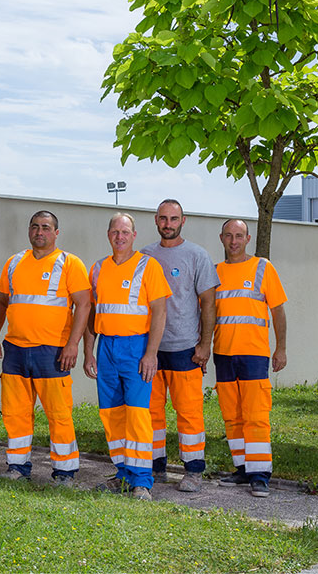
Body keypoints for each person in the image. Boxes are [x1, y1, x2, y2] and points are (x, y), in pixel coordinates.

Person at [0, 211, 90, 485]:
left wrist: (73, 344)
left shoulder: (70, 263)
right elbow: (0, 302)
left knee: (59, 414)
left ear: (57, 233)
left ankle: (65, 472)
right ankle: (17, 466)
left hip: (53, 351)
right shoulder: (14, 263)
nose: (39, 232)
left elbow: (84, 304)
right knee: (15, 412)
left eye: (46, 227)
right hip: (15, 349)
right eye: (34, 227)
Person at [84, 212, 171, 501]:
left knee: (136, 415)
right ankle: (123, 473)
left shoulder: (149, 266)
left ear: (134, 235)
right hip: (106, 347)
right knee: (112, 414)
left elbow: (159, 312)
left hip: (136, 349)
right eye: (114, 232)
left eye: (125, 232)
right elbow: (91, 314)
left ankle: (142, 481)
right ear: (108, 234)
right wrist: (88, 352)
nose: (119, 237)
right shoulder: (97, 269)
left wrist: (151, 353)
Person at [140, 200, 219, 492]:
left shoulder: (197, 255)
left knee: (189, 412)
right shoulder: (145, 256)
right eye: (163, 218)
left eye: (174, 219)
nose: (168, 224)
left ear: (183, 221)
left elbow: (209, 304)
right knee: (151, 411)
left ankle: (193, 470)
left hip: (186, 348)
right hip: (150, 349)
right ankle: (155, 466)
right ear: (156, 220)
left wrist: (204, 345)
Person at [214, 219, 287, 498]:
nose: (234, 241)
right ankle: (243, 469)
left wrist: (280, 349)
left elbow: (278, 311)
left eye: (239, 236)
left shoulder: (263, 268)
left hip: (254, 355)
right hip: (223, 354)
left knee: (255, 416)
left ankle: (260, 475)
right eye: (229, 236)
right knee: (232, 416)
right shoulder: (215, 272)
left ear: (248, 238)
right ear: (221, 238)